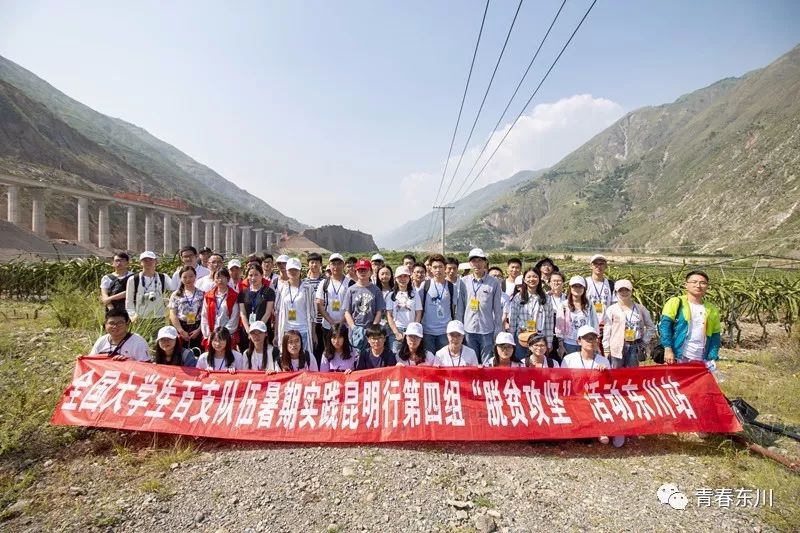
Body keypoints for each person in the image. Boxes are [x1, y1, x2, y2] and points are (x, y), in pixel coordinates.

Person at [560, 325, 615, 446]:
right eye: (587, 339)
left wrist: (605, 373)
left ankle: (602, 430)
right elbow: (562, 381)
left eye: (594, 338)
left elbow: (610, 384)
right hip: (575, 397)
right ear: (579, 341)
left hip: (596, 397)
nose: (591, 342)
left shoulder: (603, 360)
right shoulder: (569, 359)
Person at [659, 270, 721, 365]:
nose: (698, 285)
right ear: (686, 285)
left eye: (703, 283)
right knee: (675, 379)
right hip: (678, 355)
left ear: (707, 286)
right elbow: (665, 326)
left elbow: (715, 334)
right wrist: (668, 349)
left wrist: (713, 354)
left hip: (701, 357)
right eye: (694, 282)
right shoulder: (676, 302)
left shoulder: (712, 309)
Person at [461, 248, 503, 365]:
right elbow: (460, 307)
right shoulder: (463, 281)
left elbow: (497, 309)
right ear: (470, 263)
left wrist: (498, 329)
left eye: (480, 260)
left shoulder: (493, 282)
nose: (477, 264)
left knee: (487, 363)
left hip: (487, 330)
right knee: (471, 361)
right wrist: (461, 328)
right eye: (474, 261)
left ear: (485, 262)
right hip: (468, 329)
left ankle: (485, 383)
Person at [602, 279, 656, 368]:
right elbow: (607, 329)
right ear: (616, 292)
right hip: (616, 346)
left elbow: (651, 327)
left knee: (632, 373)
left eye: (626, 290)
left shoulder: (640, 308)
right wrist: (606, 348)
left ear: (631, 291)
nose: (624, 292)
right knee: (616, 373)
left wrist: (644, 342)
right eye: (620, 290)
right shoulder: (612, 309)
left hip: (634, 345)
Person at [504, 267, 555, 360]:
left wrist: (549, 342)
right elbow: (513, 320)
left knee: (537, 365)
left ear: (539, 279)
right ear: (524, 279)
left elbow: (549, 322)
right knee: (521, 365)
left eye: (535, 276)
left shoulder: (546, 298)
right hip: (522, 338)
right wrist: (511, 340)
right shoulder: (518, 297)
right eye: (529, 277)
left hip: (539, 340)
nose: (532, 279)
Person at [418, 254, 463, 355]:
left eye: (440, 267)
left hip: (445, 331)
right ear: (430, 269)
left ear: (445, 268)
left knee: (444, 360)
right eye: (435, 267)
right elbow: (419, 307)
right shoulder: (425, 285)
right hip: (427, 331)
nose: (438, 270)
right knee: (429, 361)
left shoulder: (452, 287)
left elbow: (454, 307)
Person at [342, 258, 385, 356]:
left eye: (365, 270)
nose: (362, 272)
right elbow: (347, 311)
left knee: (370, 356)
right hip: (355, 330)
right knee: (355, 357)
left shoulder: (376, 290)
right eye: (360, 270)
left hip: (370, 329)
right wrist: (353, 327)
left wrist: (373, 329)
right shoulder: (351, 290)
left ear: (370, 272)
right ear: (356, 272)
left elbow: (379, 311)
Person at [124, 251, 174, 334]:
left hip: (159, 316)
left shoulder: (163, 277)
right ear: (140, 263)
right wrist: (132, 315)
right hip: (140, 317)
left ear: (156, 262)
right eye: (145, 260)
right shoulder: (133, 279)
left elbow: (175, 288)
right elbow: (129, 300)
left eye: (151, 260)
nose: (148, 262)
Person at [275, 258, 317, 356]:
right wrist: (276, 334)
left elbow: (313, 313)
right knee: (286, 358)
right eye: (290, 270)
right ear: (286, 271)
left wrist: (313, 333)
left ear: (300, 271)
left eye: (295, 269)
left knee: (305, 358)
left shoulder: (308, 288)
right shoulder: (282, 288)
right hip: (286, 329)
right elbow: (277, 312)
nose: (293, 272)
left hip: (303, 330)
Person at [316, 253, 355, 348]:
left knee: (345, 353)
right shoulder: (324, 283)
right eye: (333, 264)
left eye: (339, 263)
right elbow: (319, 304)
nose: (336, 266)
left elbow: (353, 306)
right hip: (328, 326)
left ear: (343, 265)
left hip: (345, 326)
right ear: (329, 265)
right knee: (329, 352)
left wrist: (342, 322)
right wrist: (331, 321)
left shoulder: (350, 283)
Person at [555, 276, 599, 356]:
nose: (577, 289)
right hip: (569, 343)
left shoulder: (589, 305)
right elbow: (559, 326)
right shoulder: (564, 305)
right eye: (574, 286)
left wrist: (596, 343)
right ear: (570, 288)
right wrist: (561, 345)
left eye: (580, 286)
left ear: (584, 289)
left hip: (586, 342)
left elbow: (594, 323)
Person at [238, 264, 276, 351]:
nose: (253, 278)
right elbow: (242, 313)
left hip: (263, 330)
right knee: (247, 355)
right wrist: (249, 330)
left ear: (262, 275)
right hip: (247, 331)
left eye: (256, 275)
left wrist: (258, 329)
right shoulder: (243, 293)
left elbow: (268, 312)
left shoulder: (268, 292)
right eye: (250, 275)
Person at [386, 265, 423, 355]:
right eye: (400, 277)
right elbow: (389, 315)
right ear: (395, 278)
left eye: (405, 276)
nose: (403, 279)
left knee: (411, 355)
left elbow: (418, 313)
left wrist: (413, 329)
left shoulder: (415, 294)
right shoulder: (391, 295)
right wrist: (396, 333)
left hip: (411, 331)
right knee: (395, 356)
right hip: (396, 331)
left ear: (409, 278)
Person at [584, 254, 616, 356]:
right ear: (591, 266)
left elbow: (614, 306)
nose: (599, 266)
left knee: (605, 355)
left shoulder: (611, 284)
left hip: (606, 325)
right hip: (589, 325)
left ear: (606, 266)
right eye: (596, 264)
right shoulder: (585, 283)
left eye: (601, 264)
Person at [200, 267, 240, 348]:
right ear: (214, 280)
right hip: (211, 336)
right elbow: (204, 316)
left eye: (223, 277)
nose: (220, 280)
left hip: (227, 336)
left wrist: (223, 335)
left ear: (228, 279)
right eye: (217, 277)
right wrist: (209, 335)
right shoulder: (208, 296)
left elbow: (234, 318)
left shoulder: (234, 296)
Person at [168, 265, 204, 351]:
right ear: (180, 278)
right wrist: (181, 330)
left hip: (197, 327)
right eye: (185, 277)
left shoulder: (202, 294)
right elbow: (173, 314)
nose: (188, 279)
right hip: (181, 326)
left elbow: (205, 314)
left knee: (196, 352)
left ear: (195, 277)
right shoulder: (176, 294)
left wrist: (199, 330)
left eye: (191, 276)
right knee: (180, 352)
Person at [303, 252, 327, 364]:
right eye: (312, 262)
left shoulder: (326, 281)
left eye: (317, 262)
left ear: (321, 264)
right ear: (308, 264)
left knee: (323, 351)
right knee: (311, 350)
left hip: (323, 321)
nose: (314, 265)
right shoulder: (303, 283)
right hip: (309, 322)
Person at [547, 271, 567, 361]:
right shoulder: (545, 297)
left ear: (563, 283)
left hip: (564, 334)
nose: (556, 283)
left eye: (559, 281)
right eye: (554, 281)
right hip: (548, 332)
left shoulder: (567, 298)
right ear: (549, 283)